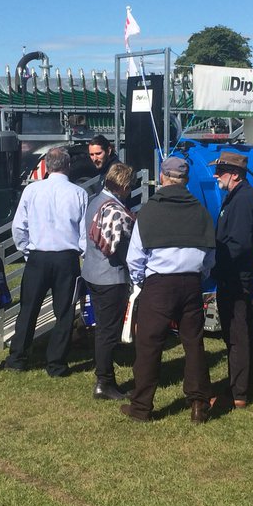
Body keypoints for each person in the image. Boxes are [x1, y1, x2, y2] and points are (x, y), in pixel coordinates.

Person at [121, 155, 215, 423]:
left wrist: (141, 281)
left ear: (163, 177)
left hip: (159, 284)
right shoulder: (200, 210)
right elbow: (210, 253)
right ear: (185, 180)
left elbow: (135, 257)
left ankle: (141, 407)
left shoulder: (150, 210)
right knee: (193, 343)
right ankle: (199, 405)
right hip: (191, 282)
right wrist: (200, 275)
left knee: (149, 345)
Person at [6, 146, 87, 377]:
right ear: (68, 166)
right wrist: (82, 254)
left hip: (38, 257)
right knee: (64, 312)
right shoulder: (78, 193)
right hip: (66, 258)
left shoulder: (32, 191)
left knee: (28, 308)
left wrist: (27, 251)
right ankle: (56, 363)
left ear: (47, 166)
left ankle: (18, 357)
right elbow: (83, 233)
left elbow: (19, 226)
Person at [211, 150, 253, 408]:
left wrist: (218, 264)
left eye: (220, 171)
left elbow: (242, 242)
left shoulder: (243, 199)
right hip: (236, 273)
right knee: (245, 330)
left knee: (237, 336)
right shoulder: (240, 196)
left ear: (234, 174)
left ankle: (238, 393)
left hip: (234, 275)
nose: (216, 176)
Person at [82, 161, 136, 400]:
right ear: (123, 185)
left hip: (93, 272)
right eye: (129, 186)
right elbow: (116, 247)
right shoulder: (114, 209)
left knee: (103, 330)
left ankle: (104, 378)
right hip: (110, 277)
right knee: (108, 332)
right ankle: (104, 381)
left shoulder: (95, 200)